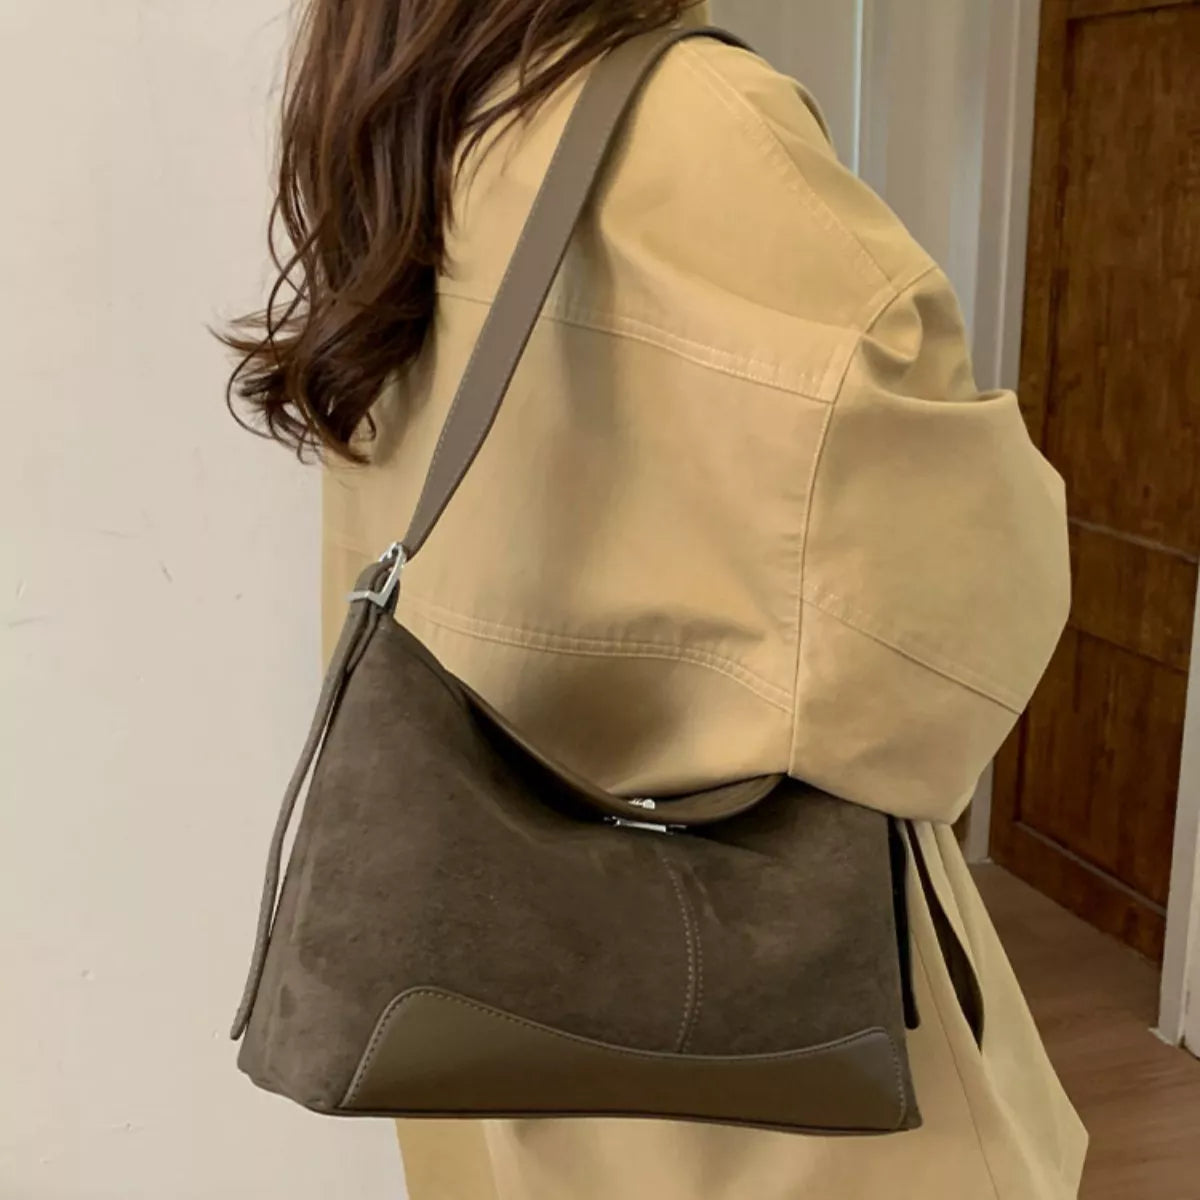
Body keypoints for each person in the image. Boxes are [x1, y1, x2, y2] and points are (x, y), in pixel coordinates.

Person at [222, 1, 1087, 1197]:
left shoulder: (401, 121)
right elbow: (954, 621)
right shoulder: (694, 122)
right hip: (747, 1068)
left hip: (486, 1000)